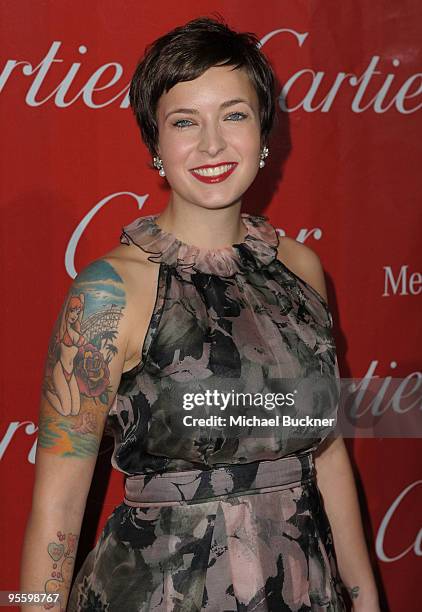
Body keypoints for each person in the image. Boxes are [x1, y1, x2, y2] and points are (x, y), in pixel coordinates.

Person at [20, 15, 381, 612]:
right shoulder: (109, 292)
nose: (211, 145)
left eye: (233, 115)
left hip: (302, 590)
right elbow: (56, 510)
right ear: (155, 145)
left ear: (265, 132)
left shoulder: (301, 270)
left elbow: (326, 450)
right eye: (184, 122)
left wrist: (365, 599)